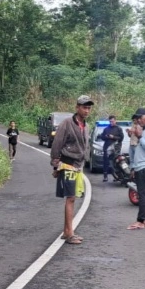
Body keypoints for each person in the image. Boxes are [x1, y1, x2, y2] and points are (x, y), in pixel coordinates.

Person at [51, 95, 93, 245]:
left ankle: (66, 231)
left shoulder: (86, 126)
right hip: (67, 164)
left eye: (88, 108)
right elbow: (57, 145)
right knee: (71, 198)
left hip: (78, 166)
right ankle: (70, 234)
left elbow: (85, 147)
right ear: (77, 107)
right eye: (84, 107)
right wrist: (56, 166)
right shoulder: (67, 123)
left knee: (73, 197)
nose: (87, 110)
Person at [98, 115, 124, 182]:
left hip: (116, 148)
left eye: (112, 121)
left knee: (115, 163)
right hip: (107, 147)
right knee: (106, 162)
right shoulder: (106, 129)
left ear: (115, 120)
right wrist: (106, 136)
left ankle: (117, 176)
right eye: (110, 121)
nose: (111, 122)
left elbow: (121, 138)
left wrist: (113, 137)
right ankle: (105, 177)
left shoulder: (119, 129)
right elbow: (102, 137)